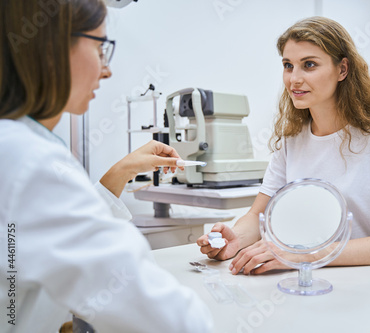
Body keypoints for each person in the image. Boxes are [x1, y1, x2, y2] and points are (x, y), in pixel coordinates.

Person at [0, 1, 212, 332]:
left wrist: (118, 174)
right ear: (53, 47)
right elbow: (164, 315)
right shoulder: (30, 159)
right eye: (100, 48)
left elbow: (52, 232)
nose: (106, 69)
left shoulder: (15, 142)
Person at [197, 17, 370, 276]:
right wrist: (236, 238)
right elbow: (257, 216)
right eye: (288, 66)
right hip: (316, 277)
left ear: (342, 69)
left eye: (309, 65)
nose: (294, 79)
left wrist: (302, 255)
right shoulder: (292, 139)